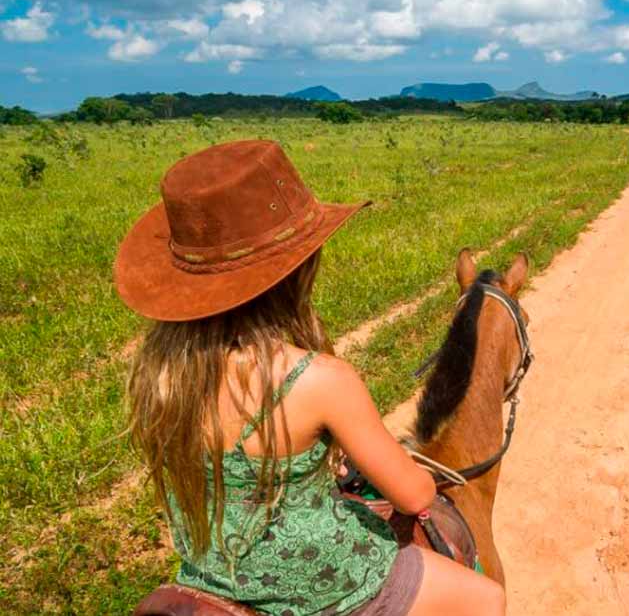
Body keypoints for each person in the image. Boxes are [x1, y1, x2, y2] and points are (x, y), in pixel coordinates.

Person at [116, 139, 504, 616]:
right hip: (323, 581)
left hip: (207, 568)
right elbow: (415, 494)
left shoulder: (160, 375)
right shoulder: (318, 379)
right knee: (487, 597)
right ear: (297, 270)